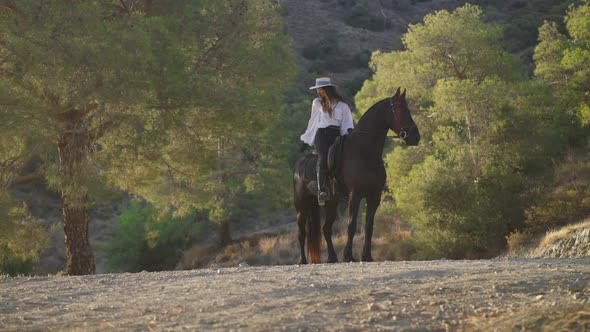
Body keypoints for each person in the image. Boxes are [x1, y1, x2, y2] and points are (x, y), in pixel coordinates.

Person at [300, 77, 354, 205]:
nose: (318, 91)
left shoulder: (343, 105)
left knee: (343, 158)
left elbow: (347, 123)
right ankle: (322, 190)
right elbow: (313, 121)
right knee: (324, 158)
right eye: (317, 89)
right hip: (322, 135)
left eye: (320, 88)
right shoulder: (317, 103)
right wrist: (308, 137)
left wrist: (348, 135)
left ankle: (344, 188)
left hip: (336, 134)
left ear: (326, 89)